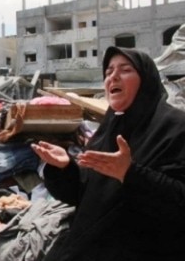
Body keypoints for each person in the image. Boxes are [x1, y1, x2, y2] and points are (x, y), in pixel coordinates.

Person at [31, 46, 185, 261]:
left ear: (146, 79)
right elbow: (82, 196)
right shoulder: (110, 128)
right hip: (87, 247)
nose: (113, 76)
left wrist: (130, 174)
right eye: (108, 72)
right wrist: (64, 168)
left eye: (125, 70)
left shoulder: (176, 128)